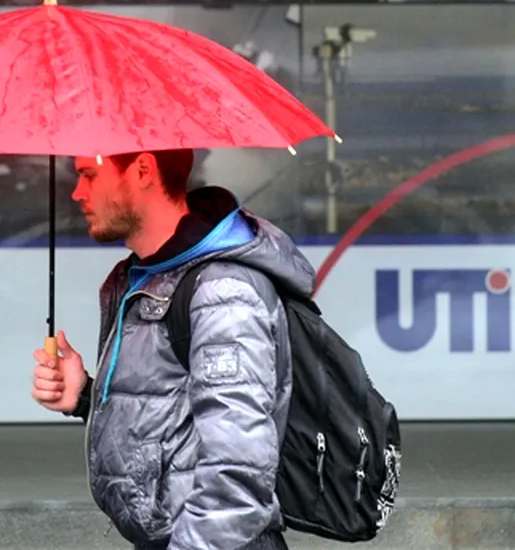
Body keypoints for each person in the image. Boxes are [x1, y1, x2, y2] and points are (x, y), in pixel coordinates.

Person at [31, 149, 317, 550]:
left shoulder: (222, 291)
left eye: (90, 175)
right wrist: (85, 397)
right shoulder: (150, 276)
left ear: (144, 170)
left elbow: (237, 474)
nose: (78, 192)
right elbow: (168, 416)